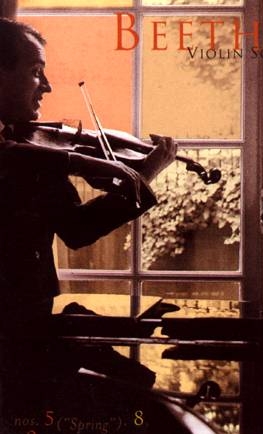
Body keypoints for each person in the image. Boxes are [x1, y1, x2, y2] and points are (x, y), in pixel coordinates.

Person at [0, 18, 176, 384]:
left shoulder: (36, 151)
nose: (47, 86)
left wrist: (144, 175)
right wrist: (81, 161)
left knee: (138, 383)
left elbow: (77, 228)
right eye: (35, 72)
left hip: (30, 320)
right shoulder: (30, 156)